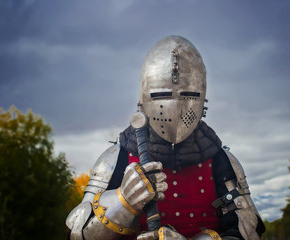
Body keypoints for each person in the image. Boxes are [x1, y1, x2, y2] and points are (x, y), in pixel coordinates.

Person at [66, 35, 265, 240]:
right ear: (143, 100)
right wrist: (122, 202)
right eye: (160, 95)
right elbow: (77, 234)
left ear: (202, 99)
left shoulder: (221, 161)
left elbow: (248, 232)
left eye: (189, 94)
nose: (173, 107)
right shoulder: (115, 159)